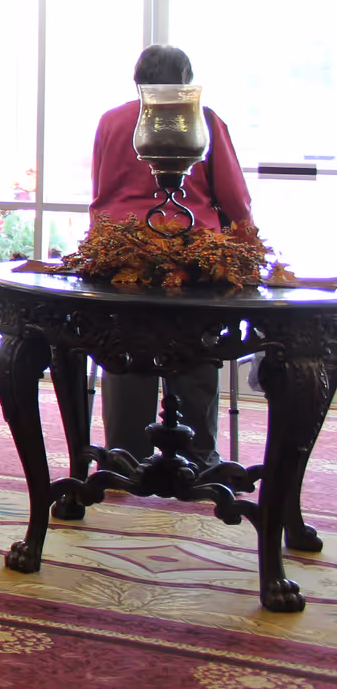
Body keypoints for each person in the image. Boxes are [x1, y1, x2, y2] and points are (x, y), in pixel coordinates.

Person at [90, 44, 253, 468]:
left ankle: (125, 455)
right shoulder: (205, 119)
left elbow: (102, 190)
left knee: (125, 352)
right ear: (187, 81)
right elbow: (233, 197)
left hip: (123, 252)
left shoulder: (112, 120)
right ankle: (197, 457)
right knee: (195, 352)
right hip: (193, 253)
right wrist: (246, 249)